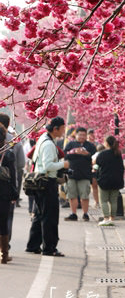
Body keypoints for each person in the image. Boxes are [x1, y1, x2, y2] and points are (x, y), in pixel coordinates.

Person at [26, 116, 68, 257]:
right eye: (62, 128)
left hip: (40, 182)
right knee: (49, 217)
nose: (63, 131)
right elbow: (48, 166)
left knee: (39, 215)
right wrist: (64, 164)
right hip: (47, 182)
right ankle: (49, 248)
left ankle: (33, 245)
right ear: (55, 129)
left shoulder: (43, 139)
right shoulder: (49, 144)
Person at [0, 113, 25, 248]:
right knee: (7, 216)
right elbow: (21, 163)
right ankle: (5, 248)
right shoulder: (14, 140)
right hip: (8, 184)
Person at [64, 126, 96, 221]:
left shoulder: (90, 146)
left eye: (84, 135)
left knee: (84, 195)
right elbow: (65, 156)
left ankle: (85, 214)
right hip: (71, 174)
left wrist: (87, 155)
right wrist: (75, 152)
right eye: (80, 134)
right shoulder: (70, 144)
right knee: (72, 195)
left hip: (85, 174)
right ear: (76, 135)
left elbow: (94, 157)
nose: (82, 136)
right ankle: (73, 214)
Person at [94, 136, 124, 226]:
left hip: (104, 180)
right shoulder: (118, 153)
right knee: (113, 201)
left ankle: (106, 218)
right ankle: (112, 219)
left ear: (106, 143)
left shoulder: (103, 154)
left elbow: (97, 163)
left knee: (103, 200)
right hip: (116, 180)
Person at [0, 124, 17, 264]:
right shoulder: (8, 153)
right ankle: (4, 255)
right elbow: (13, 176)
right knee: (3, 223)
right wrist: (14, 194)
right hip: (4, 192)